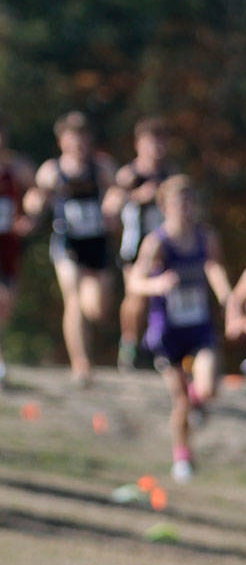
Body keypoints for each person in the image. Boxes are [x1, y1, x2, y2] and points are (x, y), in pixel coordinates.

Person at [128, 176, 232, 480]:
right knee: (180, 400)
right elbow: (135, 281)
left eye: (189, 202)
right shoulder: (157, 242)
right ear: (164, 207)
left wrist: (226, 296)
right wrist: (156, 283)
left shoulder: (205, 237)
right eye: (178, 203)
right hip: (167, 330)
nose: (185, 209)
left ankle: (198, 401)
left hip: (198, 325)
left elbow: (214, 268)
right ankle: (183, 454)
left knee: (209, 387)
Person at [24, 112, 116, 382]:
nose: (78, 144)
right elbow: (34, 198)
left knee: (97, 309)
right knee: (72, 299)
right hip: (67, 241)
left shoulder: (101, 167)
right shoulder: (52, 170)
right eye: (72, 138)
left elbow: (116, 191)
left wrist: (113, 205)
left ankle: (86, 347)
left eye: (83, 137)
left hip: (96, 243)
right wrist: (35, 204)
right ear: (62, 140)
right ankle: (81, 363)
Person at [106, 118, 178, 369]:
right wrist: (137, 196)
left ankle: (162, 348)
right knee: (136, 298)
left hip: (164, 247)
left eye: (161, 141)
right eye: (151, 141)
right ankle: (129, 343)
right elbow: (110, 206)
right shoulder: (130, 174)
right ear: (139, 144)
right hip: (135, 246)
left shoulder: (170, 174)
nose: (156, 147)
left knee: (167, 297)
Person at [0, 115, 35, 386]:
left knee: (6, 304)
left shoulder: (15, 168)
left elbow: (36, 190)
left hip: (8, 245)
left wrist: (30, 216)